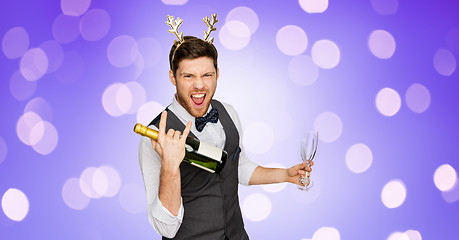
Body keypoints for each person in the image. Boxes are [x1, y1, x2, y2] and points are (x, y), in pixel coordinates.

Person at [138, 14, 313, 240]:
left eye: (207, 75)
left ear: (217, 74)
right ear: (173, 77)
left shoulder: (227, 111)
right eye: (188, 76)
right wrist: (171, 166)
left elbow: (237, 166)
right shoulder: (153, 137)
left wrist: (285, 174)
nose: (199, 84)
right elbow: (166, 228)